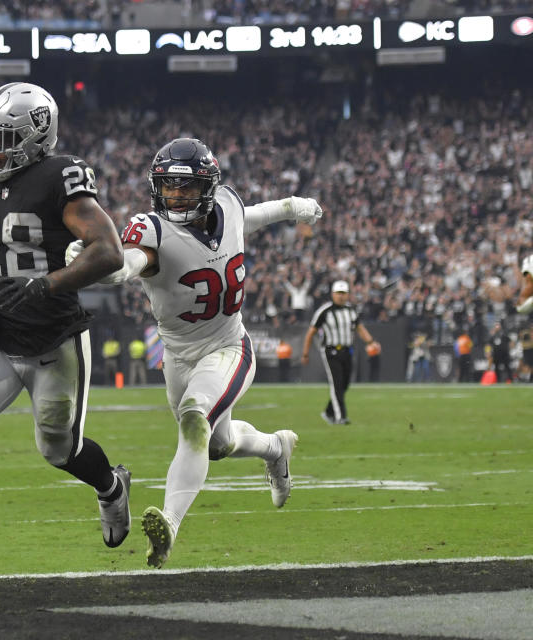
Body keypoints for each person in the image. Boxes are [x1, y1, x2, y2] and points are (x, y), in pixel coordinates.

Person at [66, 137, 322, 568]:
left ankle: (168, 524)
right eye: (169, 187)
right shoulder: (154, 229)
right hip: (178, 357)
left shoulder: (228, 204)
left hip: (227, 346)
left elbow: (249, 217)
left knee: (194, 419)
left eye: (186, 188)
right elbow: (131, 262)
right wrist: (100, 265)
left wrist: (290, 206)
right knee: (216, 444)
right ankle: (276, 448)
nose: (176, 196)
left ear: (207, 187)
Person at [0, 82, 129, 590]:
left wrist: (47, 284)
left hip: (54, 336)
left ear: (35, 137)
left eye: (2, 138)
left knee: (60, 450)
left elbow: (109, 250)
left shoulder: (61, 176)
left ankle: (110, 485)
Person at [302, 281, 379, 425]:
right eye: (338, 293)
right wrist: (305, 353)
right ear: (333, 294)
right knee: (337, 384)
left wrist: (371, 341)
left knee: (345, 384)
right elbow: (311, 332)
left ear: (348, 295)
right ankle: (340, 417)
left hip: (347, 351)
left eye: (344, 294)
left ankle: (328, 412)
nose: (341, 297)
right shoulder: (324, 311)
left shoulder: (351, 311)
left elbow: (360, 328)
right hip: (330, 351)